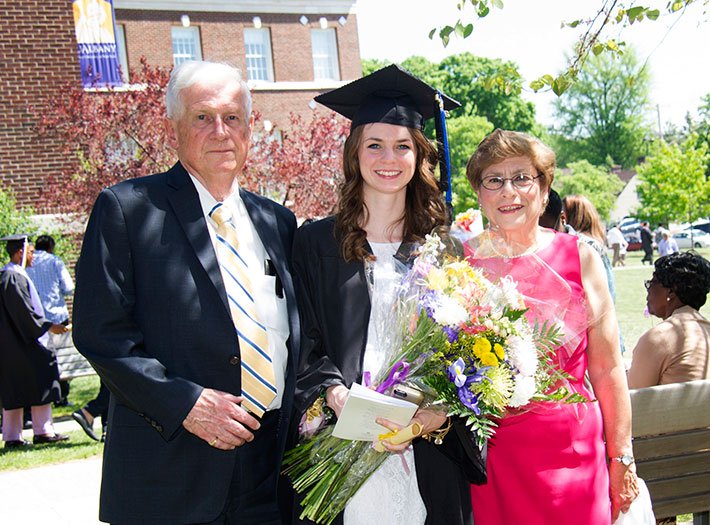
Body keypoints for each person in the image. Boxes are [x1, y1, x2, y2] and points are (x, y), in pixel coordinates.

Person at [72, 60, 300, 525]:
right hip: (173, 472)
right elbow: (101, 334)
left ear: (250, 128)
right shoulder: (128, 210)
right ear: (174, 125)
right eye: (202, 117)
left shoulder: (277, 222)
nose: (220, 130)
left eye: (232, 117)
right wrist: (186, 404)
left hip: (271, 475)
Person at [293, 65, 485, 525]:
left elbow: (468, 351)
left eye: (403, 146)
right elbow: (302, 339)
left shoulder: (442, 247)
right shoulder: (316, 243)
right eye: (374, 144)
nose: (388, 158)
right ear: (354, 152)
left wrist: (434, 414)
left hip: (426, 446)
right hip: (340, 442)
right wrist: (333, 394)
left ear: (420, 156)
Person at [464, 129, 637, 524]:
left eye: (523, 178)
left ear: (544, 191)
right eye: (494, 180)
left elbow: (608, 369)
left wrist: (622, 456)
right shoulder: (461, 266)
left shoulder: (580, 257)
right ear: (480, 194)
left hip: (573, 455)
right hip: (495, 459)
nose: (509, 191)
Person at [0, 235, 69, 448]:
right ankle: (43, 431)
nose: (33, 257)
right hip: (24, 342)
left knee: (14, 387)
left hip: (12, 343)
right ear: (20, 252)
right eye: (30, 252)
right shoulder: (13, 277)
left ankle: (13, 436)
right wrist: (49, 326)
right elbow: (25, 314)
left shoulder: (9, 275)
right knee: (43, 373)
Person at [627, 252, 710, 388]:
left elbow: (631, 397)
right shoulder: (705, 331)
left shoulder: (660, 338)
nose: (648, 290)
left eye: (651, 283)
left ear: (671, 291)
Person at [27, 234, 75, 406]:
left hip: (37, 320)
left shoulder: (27, 264)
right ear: (50, 247)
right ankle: (62, 396)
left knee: (41, 359)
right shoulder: (54, 261)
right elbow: (69, 288)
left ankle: (46, 395)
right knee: (62, 357)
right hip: (57, 316)